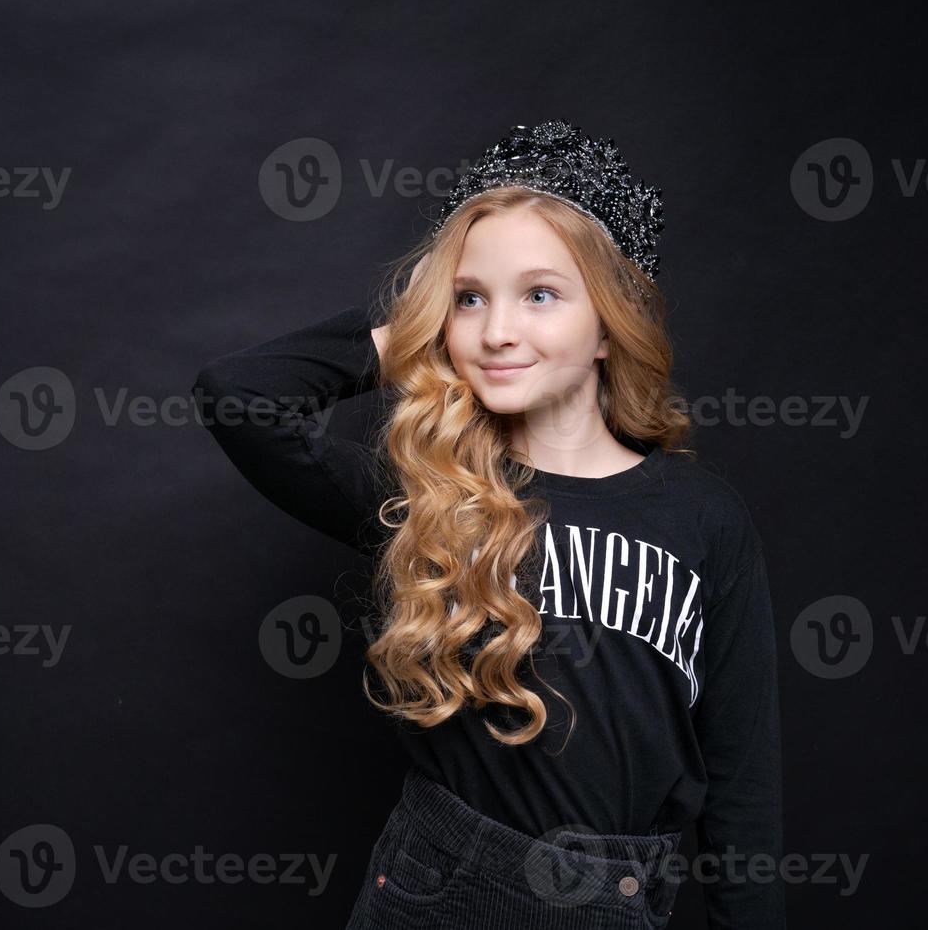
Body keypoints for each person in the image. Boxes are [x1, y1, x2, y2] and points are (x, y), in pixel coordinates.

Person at [193, 121, 783, 930]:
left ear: (610, 324)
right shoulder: (429, 494)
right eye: (471, 298)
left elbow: (741, 777)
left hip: (621, 902)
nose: (497, 331)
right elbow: (241, 396)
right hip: (449, 893)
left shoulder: (703, 516)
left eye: (540, 294)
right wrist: (413, 327)